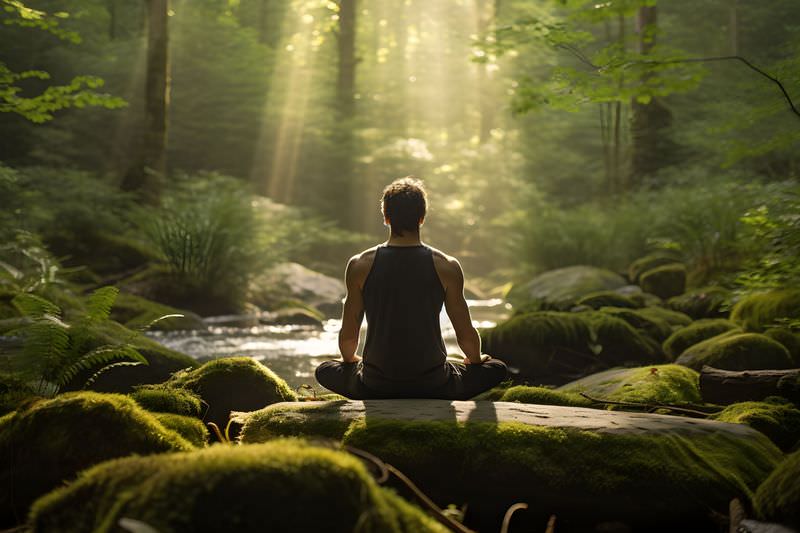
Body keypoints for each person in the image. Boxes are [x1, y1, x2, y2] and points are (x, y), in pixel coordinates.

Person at [314, 176, 507, 400]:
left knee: (325, 369)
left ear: (386, 217)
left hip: (375, 384)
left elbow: (349, 334)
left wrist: (350, 361)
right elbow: (464, 333)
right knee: (497, 367)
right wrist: (475, 360)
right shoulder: (447, 265)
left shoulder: (359, 265)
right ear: (421, 218)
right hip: (433, 384)